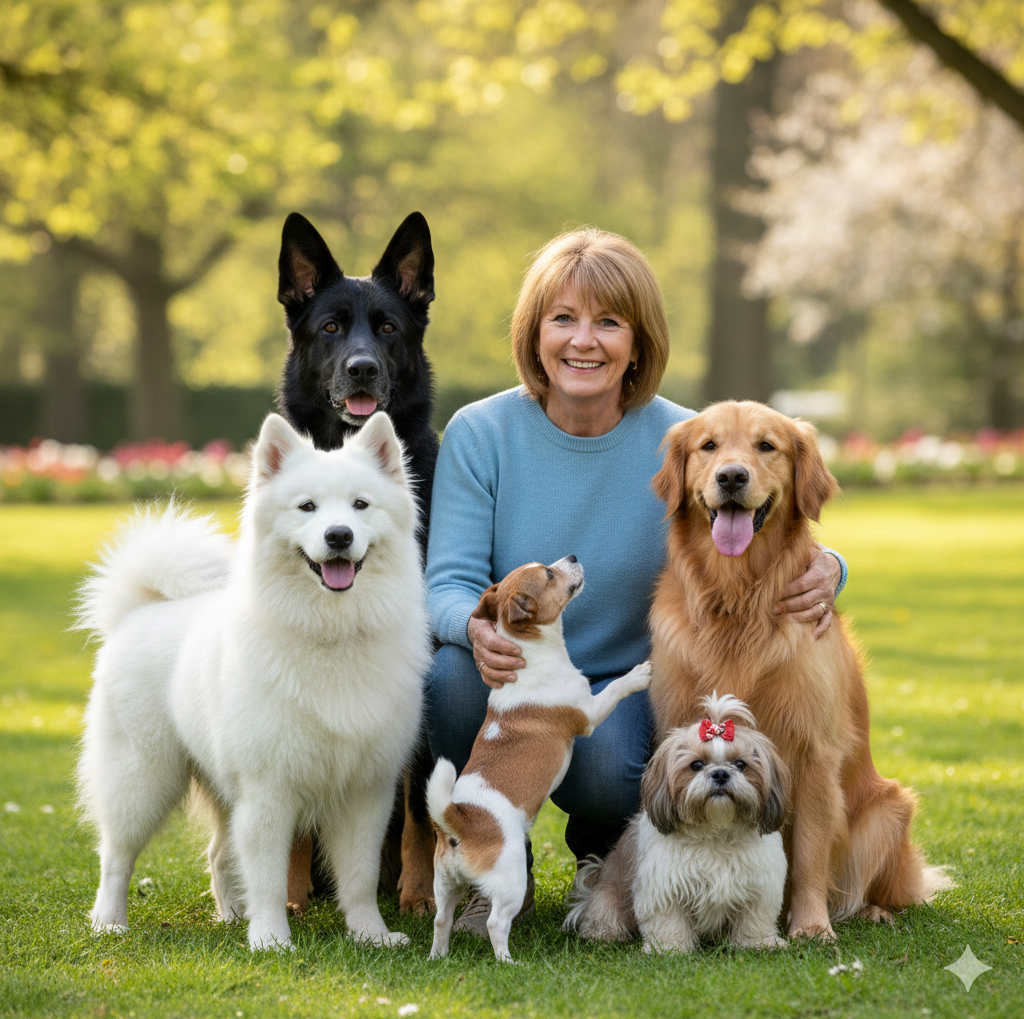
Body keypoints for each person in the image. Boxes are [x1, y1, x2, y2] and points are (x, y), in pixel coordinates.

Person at [424, 227, 847, 933]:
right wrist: (468, 624)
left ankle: (607, 858)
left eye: (608, 322)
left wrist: (834, 566)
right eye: (563, 319)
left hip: (620, 685)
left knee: (614, 768)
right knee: (450, 676)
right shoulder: (480, 431)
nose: (583, 341)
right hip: (518, 674)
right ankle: (497, 861)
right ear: (534, 333)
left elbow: (769, 527)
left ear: (638, 340)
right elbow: (448, 580)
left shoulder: (691, 437)